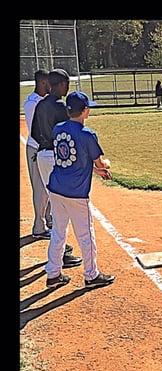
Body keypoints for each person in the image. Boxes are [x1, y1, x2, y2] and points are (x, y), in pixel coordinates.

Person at [45, 91, 115, 289]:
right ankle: (91, 275)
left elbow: (72, 161)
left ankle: (53, 274)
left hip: (56, 187)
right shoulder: (87, 134)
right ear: (85, 111)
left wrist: (94, 170)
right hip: (76, 193)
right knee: (85, 234)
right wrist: (104, 166)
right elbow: (100, 162)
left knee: (58, 232)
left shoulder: (58, 129)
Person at [31, 68, 82, 268]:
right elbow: (66, 136)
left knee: (55, 204)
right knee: (62, 208)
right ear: (59, 85)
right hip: (55, 157)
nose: (67, 88)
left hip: (42, 155)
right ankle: (60, 253)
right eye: (65, 84)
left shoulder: (40, 105)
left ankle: (61, 251)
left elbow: (34, 132)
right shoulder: (60, 106)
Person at [23, 69, 53, 239]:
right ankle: (39, 227)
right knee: (40, 189)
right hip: (36, 148)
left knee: (48, 186)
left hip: (44, 148)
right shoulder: (32, 103)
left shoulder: (44, 101)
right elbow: (36, 130)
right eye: (49, 83)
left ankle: (48, 218)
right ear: (42, 83)